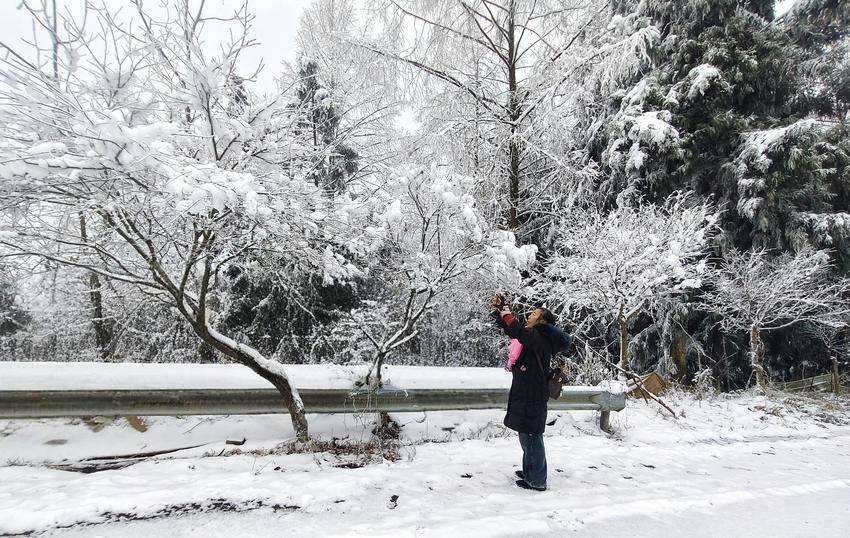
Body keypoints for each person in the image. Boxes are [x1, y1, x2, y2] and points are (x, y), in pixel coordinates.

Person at [490, 294, 572, 491]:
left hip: (533, 393)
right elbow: (514, 331)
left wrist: (506, 313)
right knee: (526, 433)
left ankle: (537, 479)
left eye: (534, 313)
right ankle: (531, 471)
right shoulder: (535, 335)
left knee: (532, 435)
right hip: (528, 391)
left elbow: (518, 331)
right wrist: (501, 312)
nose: (530, 315)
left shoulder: (540, 337)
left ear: (542, 320)